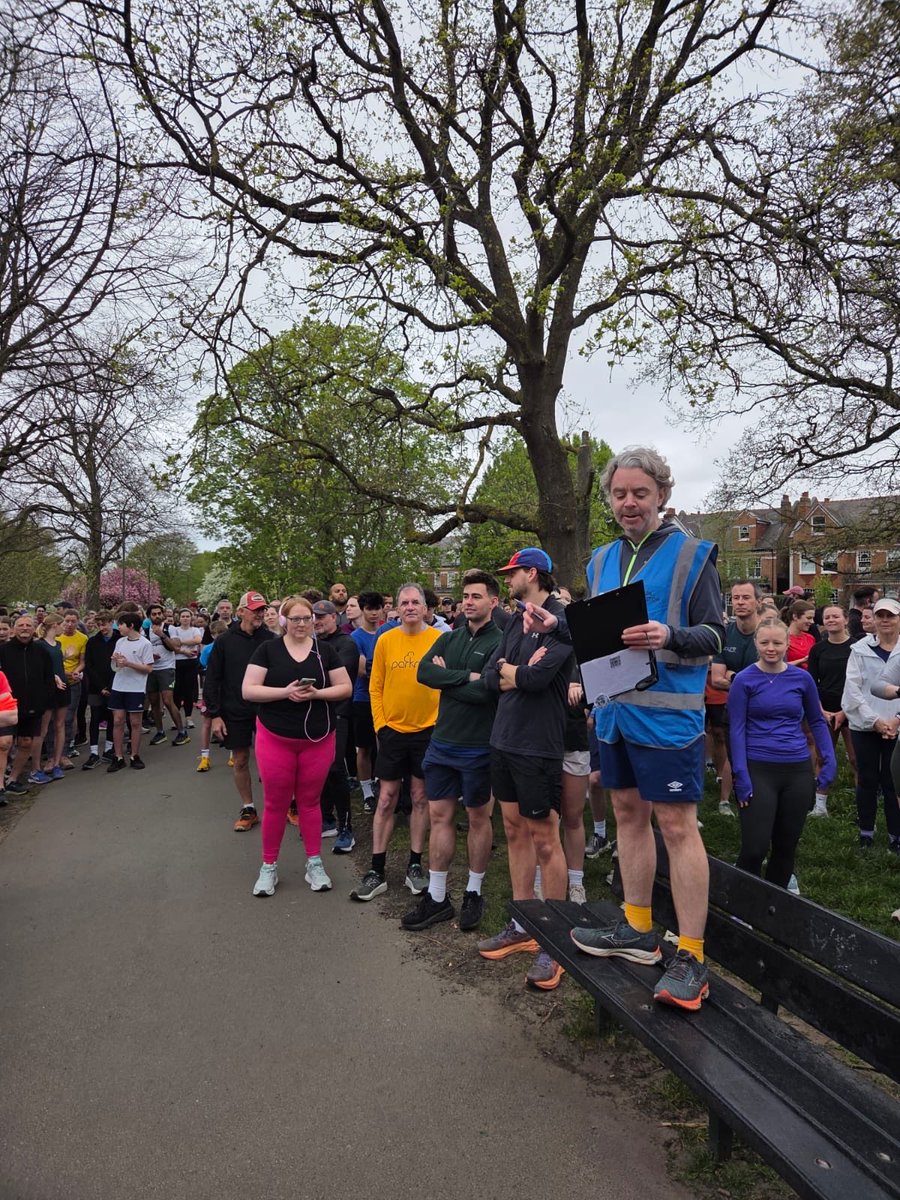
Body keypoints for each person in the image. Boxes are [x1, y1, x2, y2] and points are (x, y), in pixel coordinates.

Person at [571, 447, 725, 1011]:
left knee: (679, 828)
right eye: (619, 494)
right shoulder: (599, 560)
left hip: (669, 720)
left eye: (640, 492)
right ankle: (637, 928)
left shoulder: (692, 554)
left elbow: (715, 635)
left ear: (661, 493)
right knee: (629, 817)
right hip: (614, 716)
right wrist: (558, 630)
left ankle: (692, 954)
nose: (629, 503)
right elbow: (600, 637)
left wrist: (670, 636)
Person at [477, 548, 574, 992]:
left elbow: (537, 681)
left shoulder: (559, 620)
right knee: (514, 831)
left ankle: (553, 940)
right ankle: (523, 923)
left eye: (512, 573)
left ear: (532, 573)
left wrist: (514, 672)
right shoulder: (515, 619)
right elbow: (487, 672)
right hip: (503, 738)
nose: (508, 580)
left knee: (544, 839)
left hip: (538, 746)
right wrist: (510, 668)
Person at [401, 569, 502, 932]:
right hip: (442, 743)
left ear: (493, 601)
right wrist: (465, 677)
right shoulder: (450, 638)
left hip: (479, 747)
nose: (468, 602)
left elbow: (490, 689)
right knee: (440, 817)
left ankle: (474, 891)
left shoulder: (501, 642)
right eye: (465, 596)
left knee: (478, 819)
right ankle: (438, 897)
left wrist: (451, 681)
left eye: (477, 596)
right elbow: (424, 673)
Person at [243, 595, 352, 895]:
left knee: (310, 801)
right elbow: (249, 690)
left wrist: (316, 694)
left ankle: (314, 863)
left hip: (317, 738)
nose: (302, 624)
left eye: (307, 618)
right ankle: (269, 867)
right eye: (295, 619)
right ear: (283, 621)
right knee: (276, 803)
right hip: (275, 737)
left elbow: (345, 687)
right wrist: (284, 692)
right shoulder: (268, 649)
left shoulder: (325, 651)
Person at [350, 583, 442, 902]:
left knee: (419, 797)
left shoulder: (439, 639)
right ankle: (377, 869)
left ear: (425, 607)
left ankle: (415, 865)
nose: (411, 606)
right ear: (398, 608)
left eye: (416, 601)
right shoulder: (385, 639)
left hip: (428, 731)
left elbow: (448, 683)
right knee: (387, 798)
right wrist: (380, 725)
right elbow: (375, 687)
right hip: (391, 731)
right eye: (405, 602)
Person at [727, 619, 836, 887]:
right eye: (764, 642)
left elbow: (817, 720)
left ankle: (774, 907)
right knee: (755, 847)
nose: (771, 648)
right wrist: (740, 776)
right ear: (756, 644)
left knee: (786, 846)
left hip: (796, 768)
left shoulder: (802, 678)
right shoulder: (744, 680)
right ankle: (744, 903)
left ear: (787, 644)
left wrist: (828, 759)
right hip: (758, 767)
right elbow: (736, 730)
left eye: (777, 643)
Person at [202, 591, 274, 829]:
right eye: (256, 610)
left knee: (274, 761)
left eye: (263, 610)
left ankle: (285, 805)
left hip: (268, 709)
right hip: (235, 709)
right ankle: (248, 808)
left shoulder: (271, 639)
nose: (260, 614)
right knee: (241, 759)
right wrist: (214, 715)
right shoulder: (224, 641)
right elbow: (212, 678)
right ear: (241, 611)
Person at [842, 596, 900, 852]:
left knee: (893, 782)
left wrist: (896, 720)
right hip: (865, 725)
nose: (885, 620)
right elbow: (853, 690)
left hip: (897, 726)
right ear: (874, 619)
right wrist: (874, 721)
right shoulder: (859, 650)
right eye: (880, 616)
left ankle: (895, 835)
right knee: (867, 779)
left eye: (891, 616)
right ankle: (866, 831)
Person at [706, 580, 762, 816]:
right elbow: (716, 679)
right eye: (735, 597)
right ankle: (727, 801)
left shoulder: (769, 632)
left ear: (758, 601)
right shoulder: (726, 634)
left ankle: (761, 802)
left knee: (760, 759)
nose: (739, 602)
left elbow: (771, 678)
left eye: (745, 597)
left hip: (764, 711)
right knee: (734, 755)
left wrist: (732, 675)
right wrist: (741, 678)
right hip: (735, 709)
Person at [311, 599, 359, 849]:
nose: (316, 621)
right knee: (320, 771)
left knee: (336, 770)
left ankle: (346, 828)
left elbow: (335, 680)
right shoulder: (313, 644)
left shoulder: (346, 644)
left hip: (338, 715)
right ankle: (327, 820)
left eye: (321, 616)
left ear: (333, 618)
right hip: (315, 715)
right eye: (314, 617)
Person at [807, 605, 855, 816]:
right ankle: (820, 804)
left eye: (836, 616)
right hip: (825, 709)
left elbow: (861, 683)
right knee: (823, 757)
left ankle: (862, 803)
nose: (831, 620)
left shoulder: (857, 647)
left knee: (856, 759)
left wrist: (846, 710)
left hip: (853, 708)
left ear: (846, 620)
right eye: (827, 617)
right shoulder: (818, 649)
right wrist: (821, 710)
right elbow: (812, 683)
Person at [0, 615, 56, 794]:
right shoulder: (3, 650)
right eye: (21, 625)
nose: (24, 628)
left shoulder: (41, 651)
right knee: (4, 745)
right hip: (7, 708)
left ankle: (12, 779)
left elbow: (49, 677)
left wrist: (45, 699)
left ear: (34, 629)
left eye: (28, 625)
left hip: (33, 706)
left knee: (26, 743)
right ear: (14, 629)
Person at [349, 591, 386, 812]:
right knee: (364, 746)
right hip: (364, 697)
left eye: (377, 608)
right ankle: (366, 792)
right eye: (369, 609)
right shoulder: (356, 638)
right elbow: (364, 670)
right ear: (362, 610)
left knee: (386, 744)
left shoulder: (388, 631)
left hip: (388, 697)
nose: (373, 613)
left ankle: (386, 784)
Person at [106, 610, 155, 772]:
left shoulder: (145, 643)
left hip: (135, 687)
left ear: (131, 625)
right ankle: (118, 756)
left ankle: (135, 755)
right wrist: (116, 662)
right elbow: (115, 666)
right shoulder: (120, 642)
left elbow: (148, 669)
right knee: (118, 720)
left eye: (120, 624)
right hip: (119, 686)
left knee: (135, 722)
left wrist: (128, 663)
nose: (118, 627)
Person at [30, 614, 69, 781]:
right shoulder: (39, 645)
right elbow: (39, 669)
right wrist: (53, 677)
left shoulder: (58, 643)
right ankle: (36, 767)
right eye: (62, 624)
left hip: (62, 687)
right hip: (46, 690)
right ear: (54, 625)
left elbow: (58, 665)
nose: (64, 627)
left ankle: (56, 762)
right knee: (42, 729)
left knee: (60, 725)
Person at [145, 603, 190, 746]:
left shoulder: (170, 628)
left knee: (167, 700)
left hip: (167, 668)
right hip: (151, 668)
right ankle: (160, 732)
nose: (157, 616)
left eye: (159, 613)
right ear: (149, 616)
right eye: (154, 614)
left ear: (163, 614)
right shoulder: (145, 631)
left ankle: (182, 732)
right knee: (153, 702)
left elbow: (176, 648)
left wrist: (162, 635)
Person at [82, 611, 117, 770]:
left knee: (112, 717)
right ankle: (94, 751)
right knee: (95, 717)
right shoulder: (92, 642)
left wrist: (109, 686)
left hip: (115, 685)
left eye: (105, 623)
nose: (102, 627)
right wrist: (101, 687)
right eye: (99, 624)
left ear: (111, 622)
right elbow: (89, 666)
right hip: (96, 687)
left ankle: (109, 748)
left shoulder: (119, 640)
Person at [57, 608, 88, 759]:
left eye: (73, 621)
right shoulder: (56, 638)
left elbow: (82, 661)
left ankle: (69, 744)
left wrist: (77, 671)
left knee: (71, 714)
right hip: (58, 680)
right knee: (57, 716)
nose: (69, 624)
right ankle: (56, 747)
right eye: (67, 621)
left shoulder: (82, 638)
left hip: (74, 680)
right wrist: (64, 672)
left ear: (77, 622)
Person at [171, 608, 202, 728]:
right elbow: (173, 644)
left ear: (191, 618)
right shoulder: (175, 630)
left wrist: (181, 642)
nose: (185, 618)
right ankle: (176, 718)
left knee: (189, 690)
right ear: (179, 618)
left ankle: (188, 717)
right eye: (183, 616)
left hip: (191, 663)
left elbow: (198, 640)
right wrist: (185, 649)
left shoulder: (195, 630)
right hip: (177, 663)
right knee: (177, 691)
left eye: (187, 616)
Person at [784, 601, 816, 669]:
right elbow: (776, 666)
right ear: (795, 616)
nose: (812, 622)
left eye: (812, 618)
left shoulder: (810, 638)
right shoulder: (782, 638)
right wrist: (802, 660)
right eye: (809, 618)